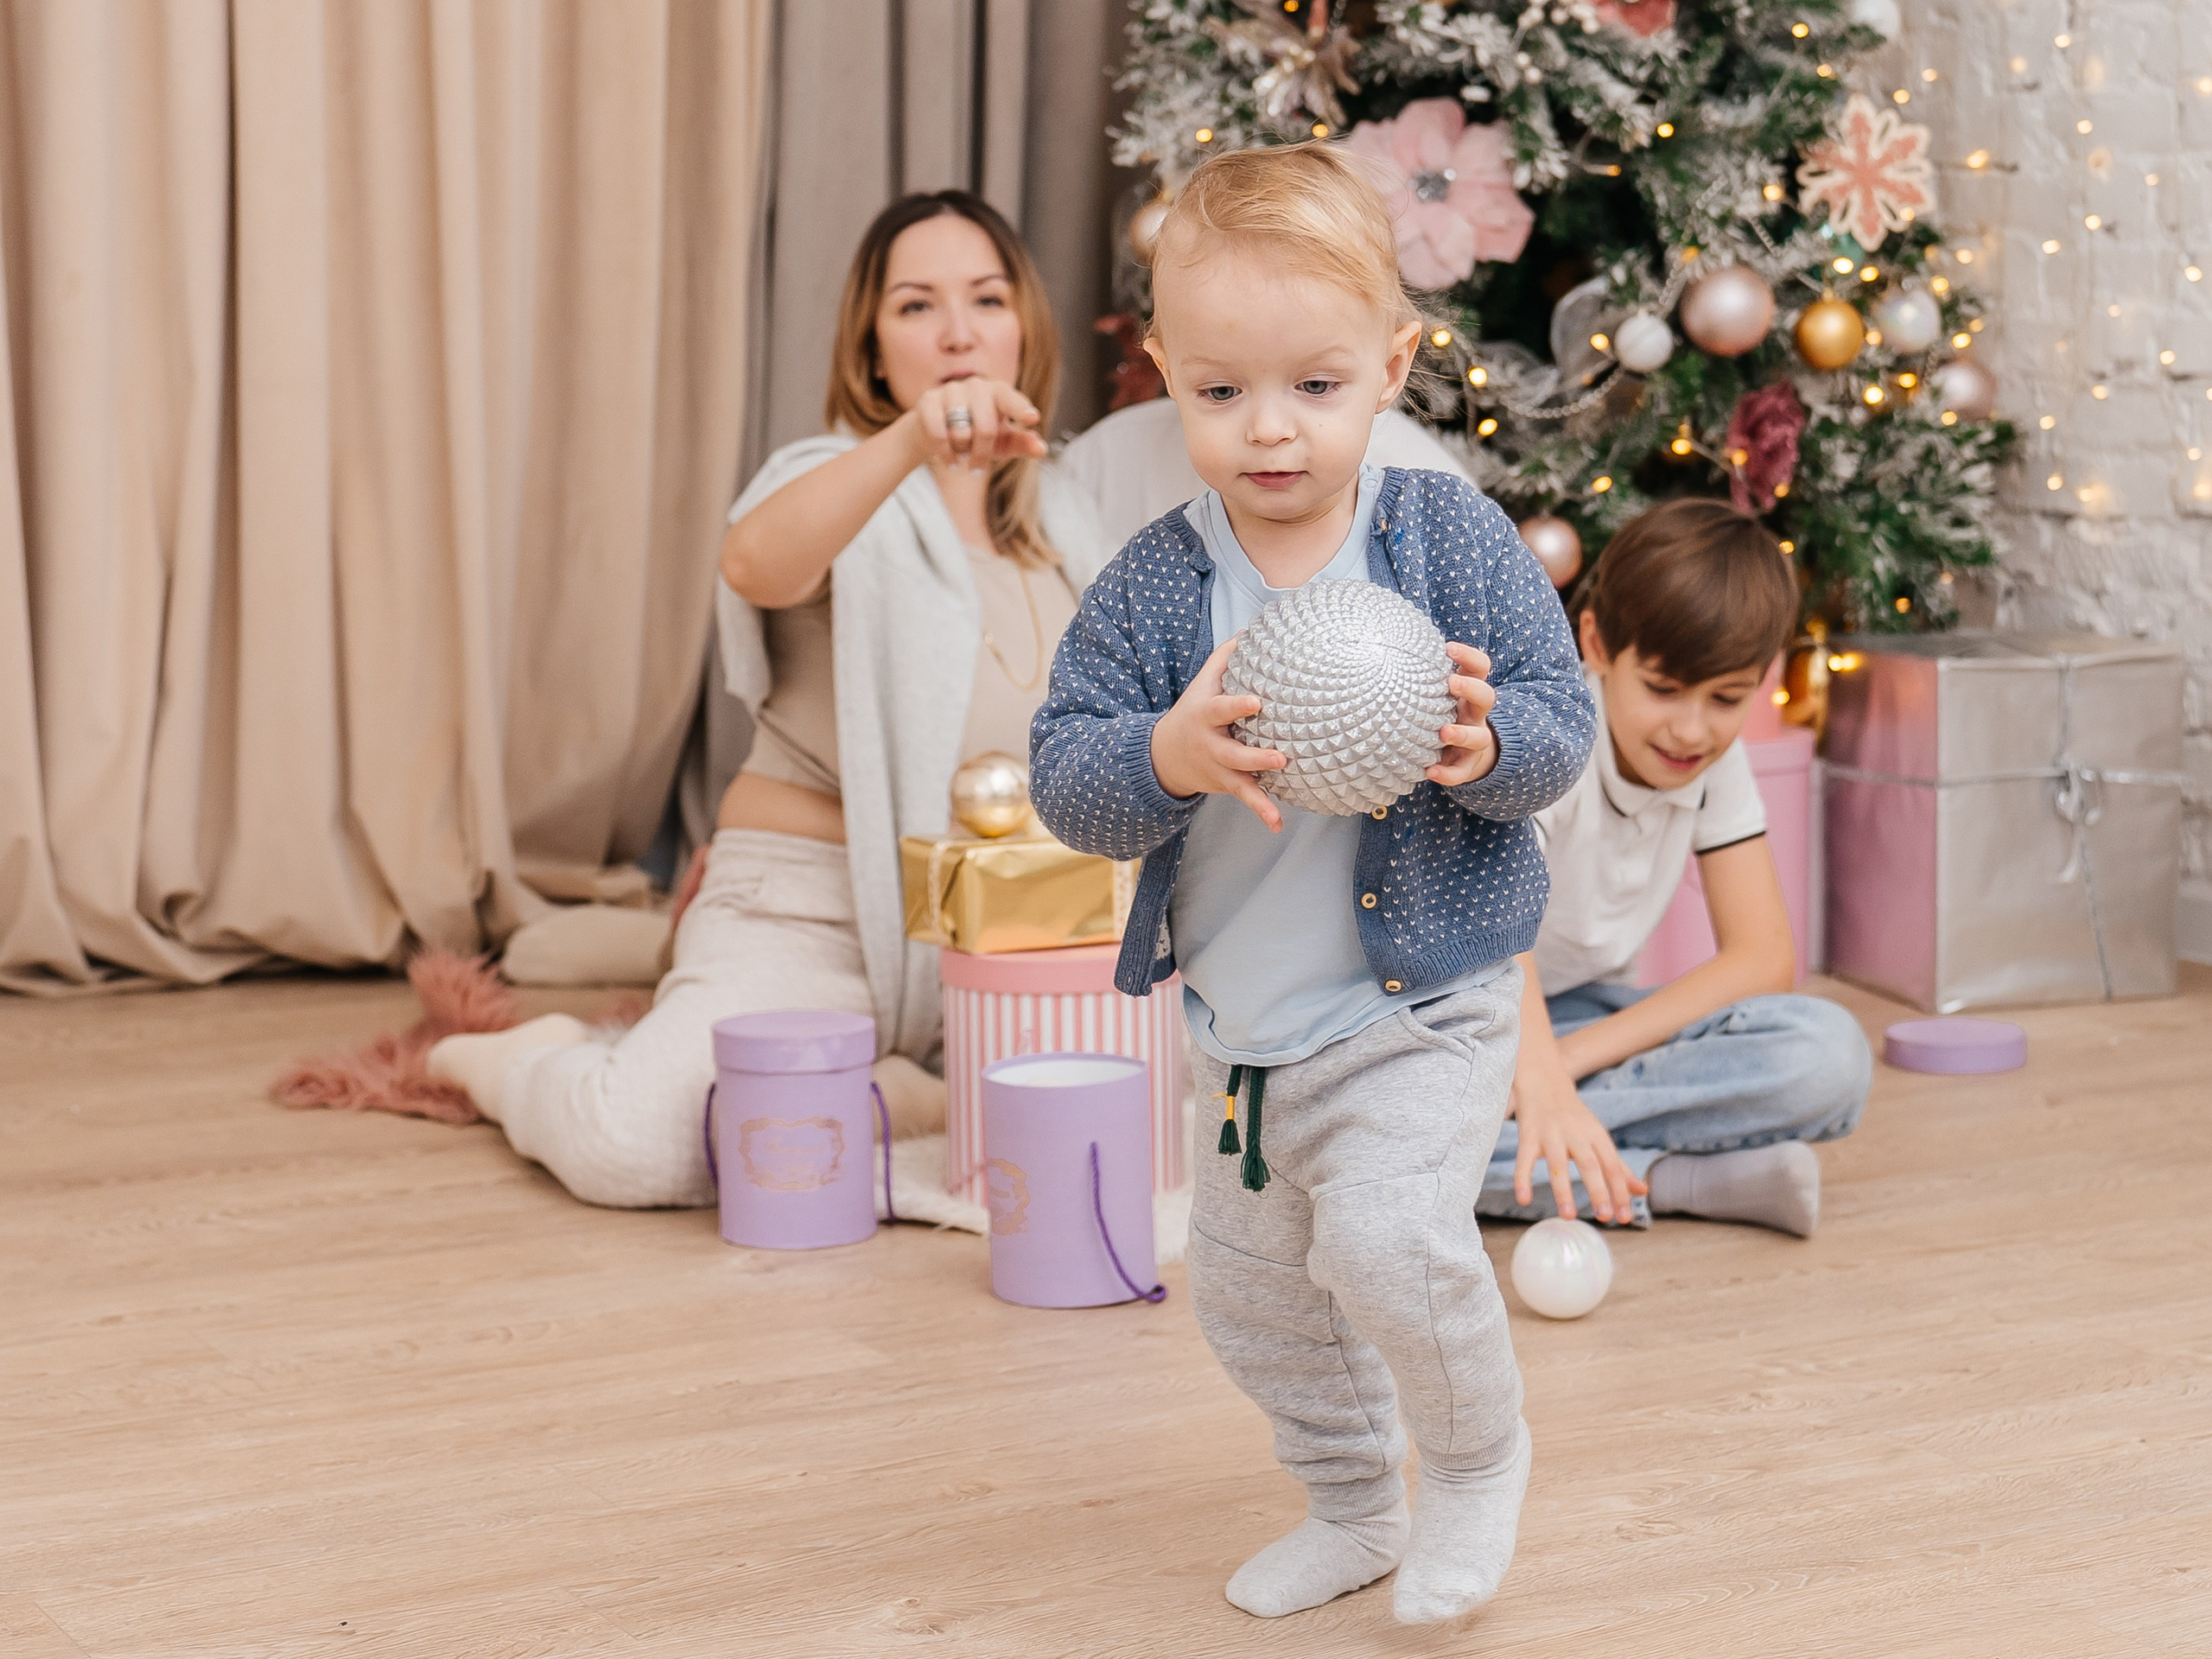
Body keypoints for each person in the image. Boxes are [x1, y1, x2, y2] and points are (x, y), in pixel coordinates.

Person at [1030, 144, 1593, 1626]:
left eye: (1315, 388)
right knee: (1254, 1297)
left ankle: (1473, 1463)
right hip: (1244, 1037)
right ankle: (1352, 1503)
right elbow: (1063, 779)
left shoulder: (1449, 542)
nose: (1268, 433)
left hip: (1421, 1005)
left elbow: (1563, 722)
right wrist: (1162, 749)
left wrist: (1486, 745)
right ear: (1164, 376)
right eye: (1220, 394)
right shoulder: (1157, 585)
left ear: (1393, 364)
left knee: (1388, 1237)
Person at [427, 191, 1111, 1208]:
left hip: (997, 929)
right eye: (917, 307)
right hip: (807, 912)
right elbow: (753, 564)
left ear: (1025, 331)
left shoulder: (1069, 520)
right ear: (875, 352)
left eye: (986, 300)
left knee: (1171, 1106)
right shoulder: (832, 475)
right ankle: (522, 1056)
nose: (960, 332)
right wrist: (910, 442)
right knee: (636, 1150)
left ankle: (890, 1085)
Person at [1485, 499, 1872, 1236]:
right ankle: (1671, 1178)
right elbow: (1503, 934)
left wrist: (1558, 1071)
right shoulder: (1552, 737)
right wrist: (1534, 1078)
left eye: (1727, 699)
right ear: (1595, 643)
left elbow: (1762, 958)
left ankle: (1570, 1145)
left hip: (1574, 1021)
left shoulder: (1710, 759)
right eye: (1662, 690)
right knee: (1394, 1145)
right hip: (1468, 1020)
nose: (1692, 729)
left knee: (1830, 1055)